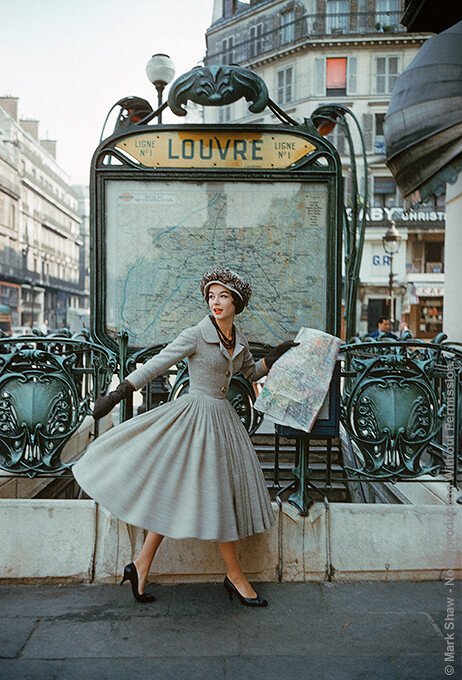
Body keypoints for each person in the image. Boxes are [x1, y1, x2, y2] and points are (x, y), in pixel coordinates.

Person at [73, 267, 296, 606]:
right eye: (211, 296)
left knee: (178, 493)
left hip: (221, 420)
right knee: (216, 494)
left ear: (236, 302)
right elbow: (156, 366)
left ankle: (141, 565)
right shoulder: (195, 334)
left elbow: (250, 372)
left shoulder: (239, 339)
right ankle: (235, 577)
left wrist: (274, 357)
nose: (216, 302)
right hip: (194, 419)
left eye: (223, 296)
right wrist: (119, 393)